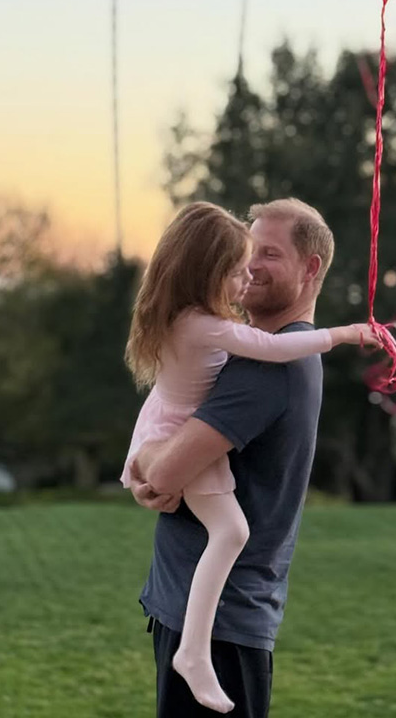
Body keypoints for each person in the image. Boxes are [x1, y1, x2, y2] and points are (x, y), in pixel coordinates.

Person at [124, 200, 373, 714]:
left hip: (222, 629)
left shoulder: (271, 364)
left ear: (311, 269)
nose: (251, 265)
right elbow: (173, 393)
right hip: (200, 609)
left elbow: (168, 471)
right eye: (247, 251)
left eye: (270, 254)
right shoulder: (241, 345)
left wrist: (145, 462)